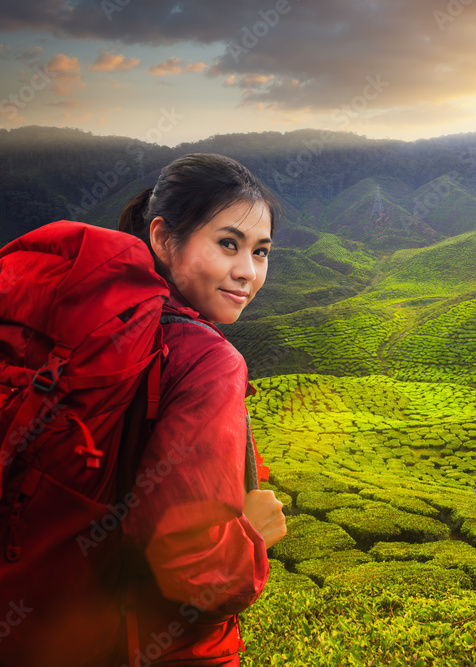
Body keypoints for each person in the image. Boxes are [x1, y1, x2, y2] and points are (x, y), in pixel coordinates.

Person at [118, 153, 288, 666]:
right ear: (164, 238)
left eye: (261, 252)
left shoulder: (118, 329)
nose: (247, 273)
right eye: (228, 244)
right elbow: (190, 570)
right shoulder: (208, 359)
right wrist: (251, 538)